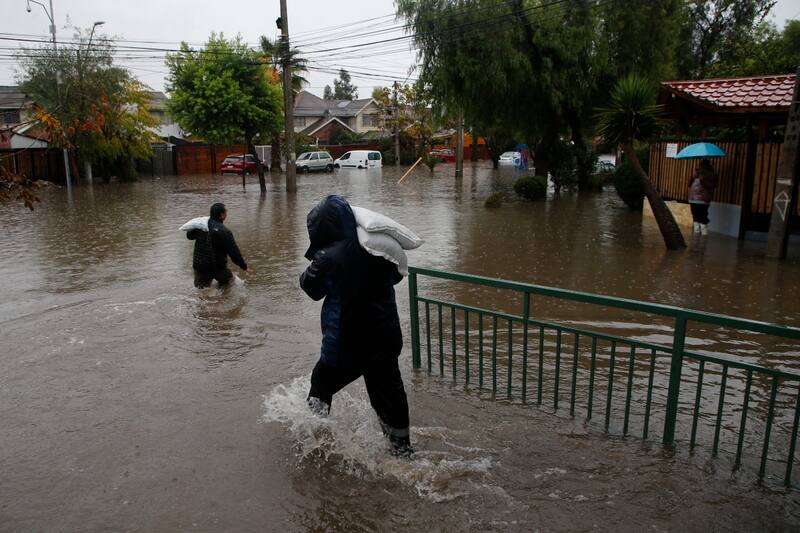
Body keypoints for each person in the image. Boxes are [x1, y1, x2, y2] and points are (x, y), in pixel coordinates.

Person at [299, 195, 413, 457]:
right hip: (385, 338)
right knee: (388, 395)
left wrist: (316, 261)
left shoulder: (327, 257)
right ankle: (402, 451)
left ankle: (311, 442)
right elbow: (396, 277)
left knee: (321, 386)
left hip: (346, 343)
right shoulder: (379, 250)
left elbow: (311, 289)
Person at [187, 203, 247, 288]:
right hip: (217, 268)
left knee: (201, 290)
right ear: (222, 215)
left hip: (199, 267)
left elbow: (189, 236)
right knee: (232, 284)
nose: (226, 214)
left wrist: (195, 226)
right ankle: (222, 296)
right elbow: (234, 252)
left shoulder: (200, 226)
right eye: (226, 212)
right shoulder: (225, 231)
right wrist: (244, 266)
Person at [688, 159, 719, 236]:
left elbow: (713, 186)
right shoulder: (697, 173)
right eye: (700, 166)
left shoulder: (712, 174)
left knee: (703, 216)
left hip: (703, 199)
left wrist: (703, 180)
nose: (701, 168)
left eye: (702, 166)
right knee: (695, 215)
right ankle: (696, 234)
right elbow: (689, 184)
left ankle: (704, 235)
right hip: (693, 199)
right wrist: (692, 177)